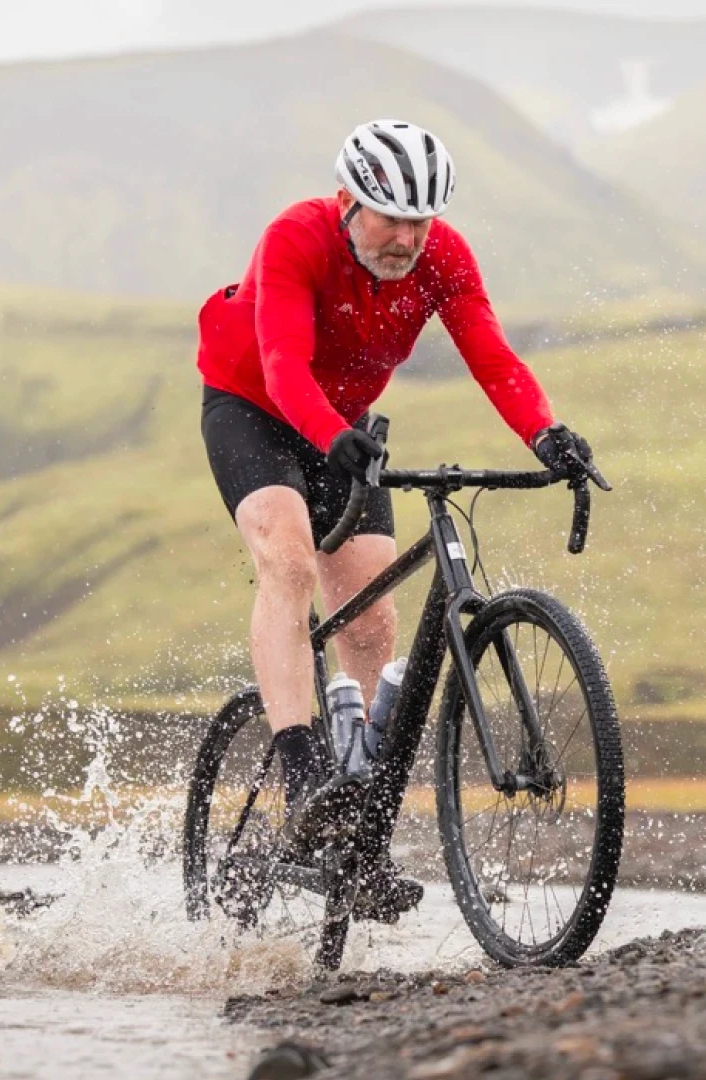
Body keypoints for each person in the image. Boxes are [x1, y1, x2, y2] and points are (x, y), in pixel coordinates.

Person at [195, 119, 598, 909]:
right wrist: (330, 438)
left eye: (423, 219)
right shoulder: (295, 238)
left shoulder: (443, 256)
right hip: (254, 407)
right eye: (391, 217)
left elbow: (492, 354)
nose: (408, 237)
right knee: (287, 557)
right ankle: (306, 768)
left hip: (344, 425)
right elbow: (280, 366)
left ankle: (359, 830)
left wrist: (546, 433)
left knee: (372, 622)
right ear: (349, 200)